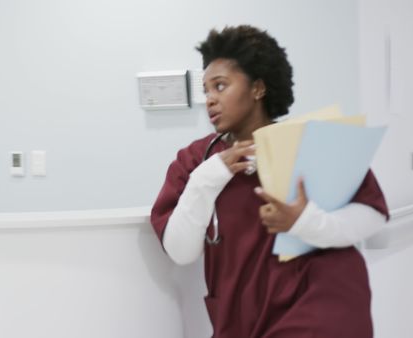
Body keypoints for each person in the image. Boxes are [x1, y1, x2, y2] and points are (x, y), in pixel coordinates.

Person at [150, 25, 389, 338]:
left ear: (258, 88)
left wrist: (304, 222)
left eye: (220, 86)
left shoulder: (310, 142)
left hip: (320, 302)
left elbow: (371, 214)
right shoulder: (196, 161)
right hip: (242, 316)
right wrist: (210, 176)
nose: (209, 100)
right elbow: (181, 251)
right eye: (206, 90)